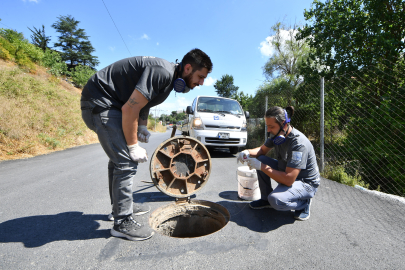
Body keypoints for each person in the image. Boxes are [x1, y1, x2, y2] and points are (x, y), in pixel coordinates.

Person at [80, 49, 213, 240]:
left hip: (111, 104)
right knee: (125, 162)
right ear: (188, 67)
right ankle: (122, 222)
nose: (201, 83)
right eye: (200, 77)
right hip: (100, 103)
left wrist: (142, 126)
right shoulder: (162, 72)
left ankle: (120, 207)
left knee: (118, 160)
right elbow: (131, 107)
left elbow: (144, 104)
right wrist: (133, 145)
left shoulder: (168, 79)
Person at [237, 106, 320, 221]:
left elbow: (288, 179)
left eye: (271, 127)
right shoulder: (277, 135)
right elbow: (261, 151)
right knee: (261, 158)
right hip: (287, 172)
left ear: (284, 124)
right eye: (267, 126)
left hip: (305, 182)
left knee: (276, 199)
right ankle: (265, 199)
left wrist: (262, 167)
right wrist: (247, 152)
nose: (268, 130)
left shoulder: (298, 144)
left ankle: (303, 202)